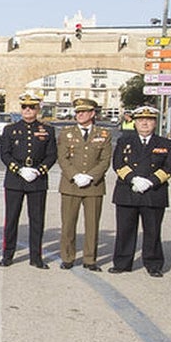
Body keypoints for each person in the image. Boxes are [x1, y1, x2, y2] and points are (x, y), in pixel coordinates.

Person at [109, 106, 171, 277]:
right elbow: (117, 164)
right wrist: (133, 178)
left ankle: (153, 264)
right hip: (128, 191)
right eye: (140, 120)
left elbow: (169, 167)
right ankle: (122, 263)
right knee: (125, 230)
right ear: (135, 123)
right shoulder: (125, 141)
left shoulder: (165, 143)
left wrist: (151, 181)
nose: (145, 123)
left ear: (155, 123)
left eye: (149, 120)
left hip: (153, 193)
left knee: (153, 231)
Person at [0, 94, 57, 269]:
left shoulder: (48, 130)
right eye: (24, 107)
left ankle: (36, 257)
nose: (28, 110)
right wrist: (19, 169)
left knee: (37, 220)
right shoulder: (10, 129)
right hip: (15, 179)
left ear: (38, 109)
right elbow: (4, 154)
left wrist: (39, 170)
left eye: (31, 107)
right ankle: (7, 255)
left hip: (37, 180)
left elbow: (52, 155)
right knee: (11, 219)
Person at [57, 97, 113, 271]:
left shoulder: (103, 134)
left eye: (83, 112)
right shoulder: (66, 133)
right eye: (77, 112)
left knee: (92, 225)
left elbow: (105, 160)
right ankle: (67, 257)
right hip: (70, 185)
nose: (79, 115)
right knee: (68, 224)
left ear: (92, 113)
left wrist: (90, 176)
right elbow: (63, 158)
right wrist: (75, 175)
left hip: (94, 186)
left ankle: (90, 259)